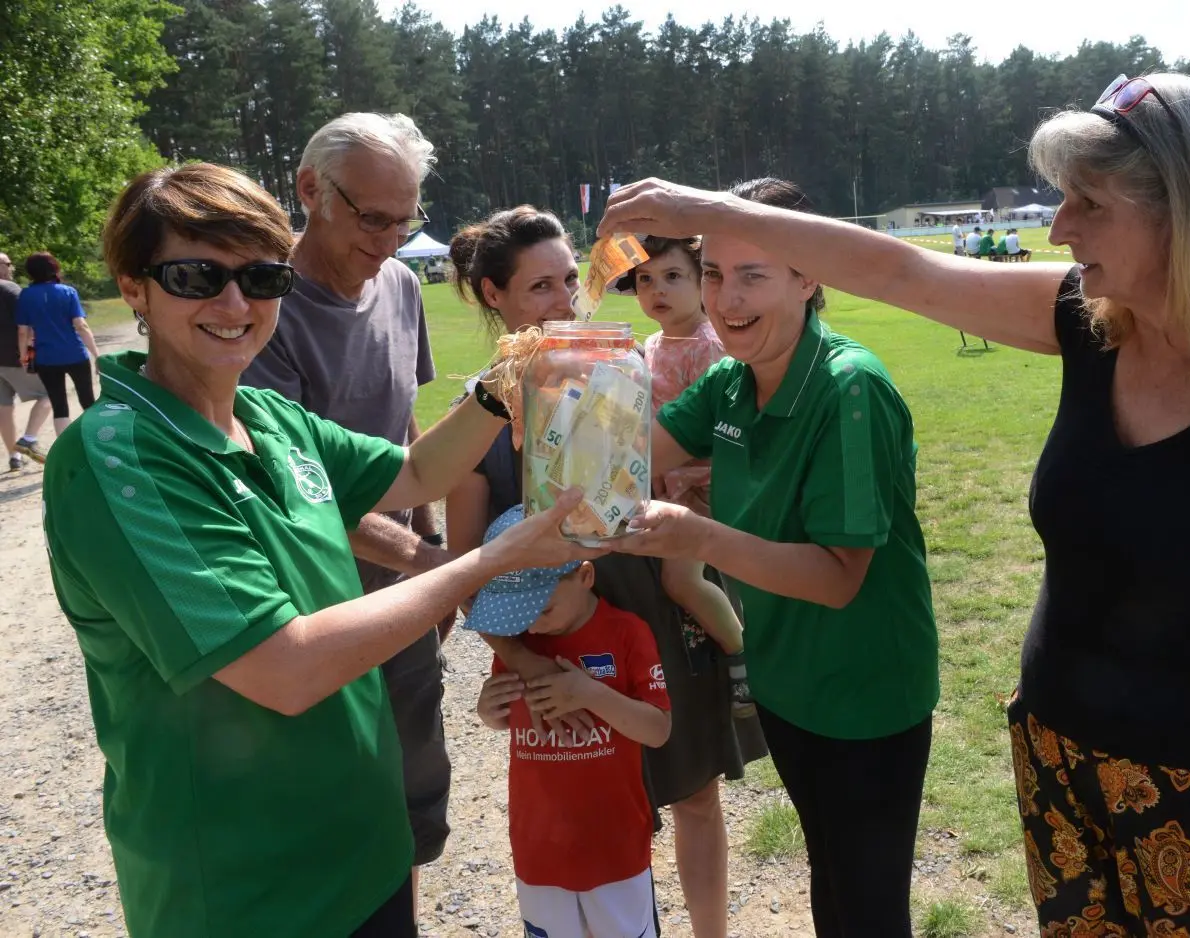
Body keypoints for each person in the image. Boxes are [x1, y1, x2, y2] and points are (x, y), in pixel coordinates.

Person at [600, 73, 1190, 938]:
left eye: (1089, 203)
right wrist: (718, 213)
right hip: (1054, 753)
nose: (1059, 228)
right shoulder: (1091, 321)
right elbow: (901, 268)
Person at [43, 162, 598, 938]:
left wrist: (506, 376)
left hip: (362, 848)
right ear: (133, 288)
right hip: (246, 890)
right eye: (197, 275)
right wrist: (488, 562)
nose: (236, 303)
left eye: (263, 277)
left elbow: (414, 472)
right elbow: (287, 666)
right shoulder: (119, 458)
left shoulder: (269, 417)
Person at [602, 177, 940, 938]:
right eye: (716, 273)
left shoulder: (849, 388)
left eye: (753, 274)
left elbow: (838, 577)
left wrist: (700, 538)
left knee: (867, 898)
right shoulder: (731, 381)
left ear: (808, 275)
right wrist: (558, 378)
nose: (726, 298)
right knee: (830, 870)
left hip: (865, 690)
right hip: (789, 679)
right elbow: (625, 458)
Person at [441, 205, 766, 938]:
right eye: (539, 290)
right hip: (560, 649)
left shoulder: (628, 374)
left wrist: (689, 487)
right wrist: (523, 666)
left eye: (569, 283)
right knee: (593, 819)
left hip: (655, 610)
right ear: (495, 297)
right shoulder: (477, 415)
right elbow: (468, 573)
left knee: (692, 792)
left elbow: (694, 477)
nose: (564, 304)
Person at [239, 112, 453, 902]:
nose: (392, 240)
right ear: (308, 190)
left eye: (407, 220)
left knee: (411, 796)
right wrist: (434, 569)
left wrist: (425, 538)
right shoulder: (258, 312)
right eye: (373, 218)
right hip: (310, 602)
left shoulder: (398, 283)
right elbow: (299, 488)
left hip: (397, 591)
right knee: (329, 806)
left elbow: (403, 423)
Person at [470, 506, 671, 938]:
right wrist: (490, 711)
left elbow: (658, 729)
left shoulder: (626, 633)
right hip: (538, 848)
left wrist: (590, 694)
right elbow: (510, 717)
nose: (530, 624)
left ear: (585, 576)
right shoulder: (519, 641)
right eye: (518, 611)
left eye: (541, 609)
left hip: (613, 849)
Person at [613, 235, 752, 715]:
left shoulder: (708, 345)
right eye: (646, 280)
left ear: (702, 282)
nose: (657, 290)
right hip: (665, 483)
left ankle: (741, 655)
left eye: (673, 277)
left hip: (703, 488)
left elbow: (721, 429)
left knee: (679, 580)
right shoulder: (652, 342)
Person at [16, 252, 100, 436]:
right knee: (87, 400)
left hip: (47, 359)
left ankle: (66, 449)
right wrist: (96, 354)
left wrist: (24, 357)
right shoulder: (68, 292)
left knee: (59, 405)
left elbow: (23, 331)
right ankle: (96, 441)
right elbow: (81, 326)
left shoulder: (26, 295)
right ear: (54, 269)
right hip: (75, 354)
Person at [0, 252, 52, 469]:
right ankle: (28, 439)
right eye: (8, 264)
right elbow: (28, 326)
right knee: (50, 394)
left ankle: (14, 457)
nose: (11, 268)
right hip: (14, 358)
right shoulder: (11, 290)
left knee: (3, 408)